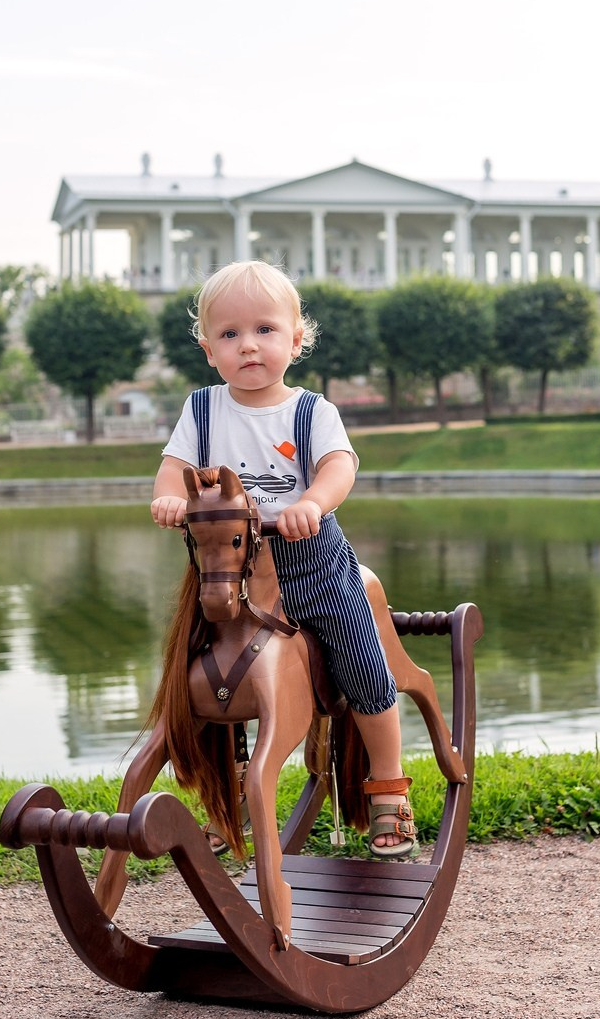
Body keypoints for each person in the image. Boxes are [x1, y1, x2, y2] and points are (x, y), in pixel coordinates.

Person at [151, 261, 416, 857]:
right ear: (207, 349)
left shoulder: (311, 411)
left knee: (362, 662)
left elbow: (339, 466)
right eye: (229, 334)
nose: (248, 345)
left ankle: (388, 788)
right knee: (201, 674)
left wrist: (313, 503)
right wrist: (168, 497)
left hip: (310, 562)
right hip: (229, 570)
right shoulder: (202, 411)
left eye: (266, 330)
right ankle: (229, 794)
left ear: (296, 340)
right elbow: (174, 468)